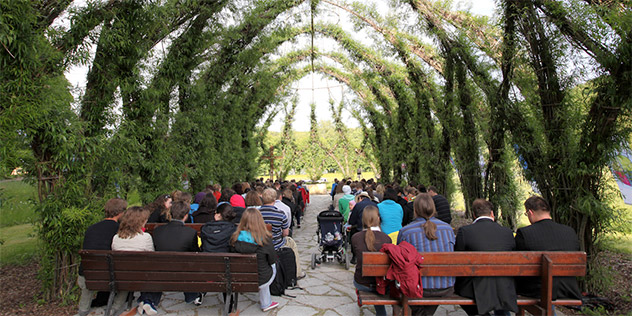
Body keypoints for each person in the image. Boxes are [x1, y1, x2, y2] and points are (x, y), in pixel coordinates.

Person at [454, 199, 517, 316]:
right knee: (500, 288)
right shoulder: (507, 232)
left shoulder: (465, 232)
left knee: (461, 289)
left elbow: (458, 260)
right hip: (504, 286)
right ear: (492, 213)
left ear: (474, 215)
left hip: (475, 288)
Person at [398, 193, 455, 316]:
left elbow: (400, 260)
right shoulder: (448, 229)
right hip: (445, 285)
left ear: (415, 209)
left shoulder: (406, 231)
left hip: (418, 286)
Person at [515, 196, 582, 301]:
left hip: (536, 290)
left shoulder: (525, 233)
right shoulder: (569, 232)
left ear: (530, 213)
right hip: (567, 289)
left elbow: (517, 263)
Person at [77, 198, 127, 316]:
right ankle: (115, 307)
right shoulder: (120, 230)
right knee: (126, 276)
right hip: (111, 277)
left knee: (91, 277)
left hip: (88, 275)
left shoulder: (91, 229)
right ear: (120, 213)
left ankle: (83, 309)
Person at [152, 201, 203, 306]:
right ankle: (192, 295)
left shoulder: (158, 231)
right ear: (185, 216)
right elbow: (195, 252)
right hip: (183, 270)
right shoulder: (190, 232)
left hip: (161, 268)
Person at [112, 206, 159, 315]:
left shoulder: (116, 237)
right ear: (141, 221)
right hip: (141, 276)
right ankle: (146, 300)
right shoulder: (145, 237)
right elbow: (151, 257)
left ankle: (144, 301)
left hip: (121, 275)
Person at [230, 208, 279, 312]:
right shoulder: (265, 240)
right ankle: (266, 303)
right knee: (272, 265)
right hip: (262, 279)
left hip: (239, 277)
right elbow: (272, 260)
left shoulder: (234, 239)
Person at [351, 206, 391, 316]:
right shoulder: (386, 238)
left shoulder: (355, 237)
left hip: (362, 283)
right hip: (382, 283)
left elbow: (356, 255)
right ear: (378, 219)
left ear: (363, 220)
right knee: (379, 283)